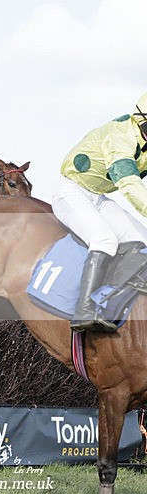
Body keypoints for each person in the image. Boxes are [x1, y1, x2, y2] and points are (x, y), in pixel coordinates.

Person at [53, 92, 147, 332]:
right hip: (71, 191)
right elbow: (129, 183)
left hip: (98, 197)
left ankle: (108, 298)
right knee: (104, 239)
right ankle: (84, 311)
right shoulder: (120, 137)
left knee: (143, 239)